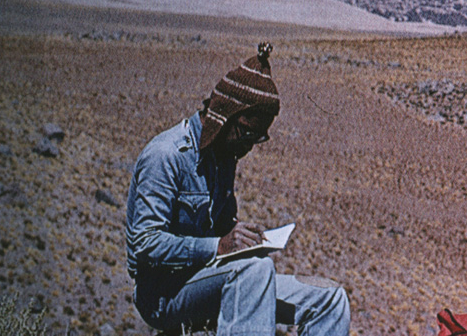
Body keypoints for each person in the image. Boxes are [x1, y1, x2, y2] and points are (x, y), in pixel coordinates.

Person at [125, 42, 350, 335]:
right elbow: (144, 244)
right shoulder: (166, 155)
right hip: (164, 294)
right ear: (223, 115)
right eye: (246, 134)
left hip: (212, 278)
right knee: (255, 271)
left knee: (329, 297)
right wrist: (216, 246)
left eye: (257, 139)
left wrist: (242, 238)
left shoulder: (223, 156)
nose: (248, 148)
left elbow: (222, 227)